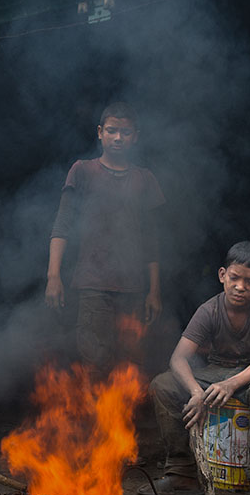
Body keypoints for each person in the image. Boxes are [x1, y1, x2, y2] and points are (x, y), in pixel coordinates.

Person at [143, 241, 250, 495]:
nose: (240, 286)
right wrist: (195, 392)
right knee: (162, 384)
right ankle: (182, 472)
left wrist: (230, 385)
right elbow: (178, 358)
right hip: (215, 371)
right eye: (234, 278)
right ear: (222, 275)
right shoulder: (209, 309)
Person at [44, 102, 166, 378]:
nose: (118, 138)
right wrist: (53, 276)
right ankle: (95, 421)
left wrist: (154, 291)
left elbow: (152, 241)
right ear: (100, 132)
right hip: (93, 284)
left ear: (135, 135)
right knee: (94, 361)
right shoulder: (83, 170)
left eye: (125, 132)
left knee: (130, 363)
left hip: (133, 287)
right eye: (112, 131)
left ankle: (120, 421)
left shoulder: (144, 179)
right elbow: (62, 226)